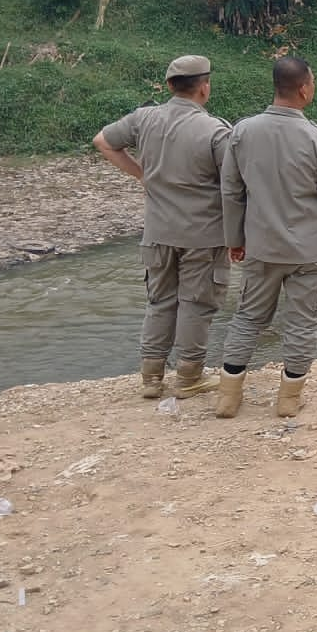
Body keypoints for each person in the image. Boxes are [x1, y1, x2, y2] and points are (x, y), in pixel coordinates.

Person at [216, 56, 317, 418]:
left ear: (276, 86)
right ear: (304, 89)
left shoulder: (242, 132)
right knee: (303, 323)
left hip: (260, 246)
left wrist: (235, 239)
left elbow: (231, 192)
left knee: (247, 318)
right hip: (309, 250)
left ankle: (228, 397)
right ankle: (289, 399)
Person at [93, 55, 232, 401]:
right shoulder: (216, 131)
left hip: (157, 233)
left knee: (159, 302)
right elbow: (235, 185)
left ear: (169, 86)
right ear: (205, 87)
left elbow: (103, 142)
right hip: (204, 236)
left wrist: (143, 174)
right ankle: (188, 377)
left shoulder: (144, 119)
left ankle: (152, 378)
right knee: (196, 304)